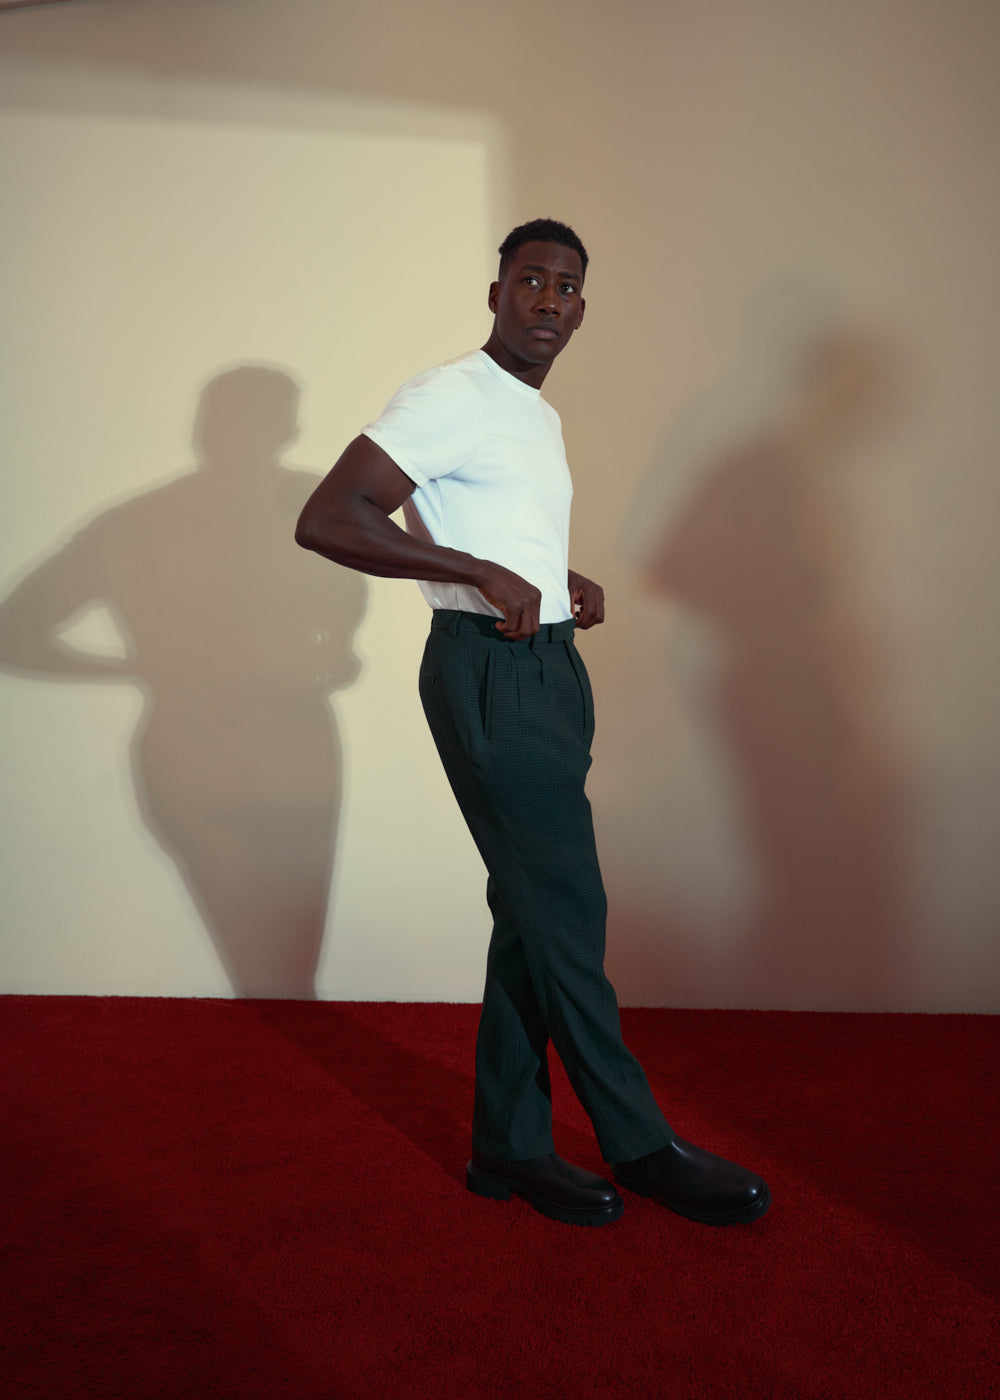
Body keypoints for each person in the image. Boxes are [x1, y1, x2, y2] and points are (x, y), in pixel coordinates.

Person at [296, 218, 770, 1228]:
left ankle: (507, 1146)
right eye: (531, 281)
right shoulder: (451, 394)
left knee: (530, 913)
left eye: (566, 287)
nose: (549, 300)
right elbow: (330, 516)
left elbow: (484, 520)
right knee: (567, 910)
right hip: (490, 673)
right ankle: (640, 1142)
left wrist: (555, 578)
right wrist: (474, 572)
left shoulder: (531, 413)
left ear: (582, 310)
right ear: (496, 292)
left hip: (549, 668)